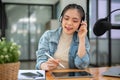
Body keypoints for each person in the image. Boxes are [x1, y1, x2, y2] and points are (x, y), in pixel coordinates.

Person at [36, 3, 90, 70]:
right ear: (61, 19)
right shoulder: (48, 35)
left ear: (81, 23)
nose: (69, 23)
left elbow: (82, 66)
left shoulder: (83, 38)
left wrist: (81, 39)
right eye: (66, 18)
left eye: (75, 21)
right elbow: (40, 62)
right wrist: (46, 66)